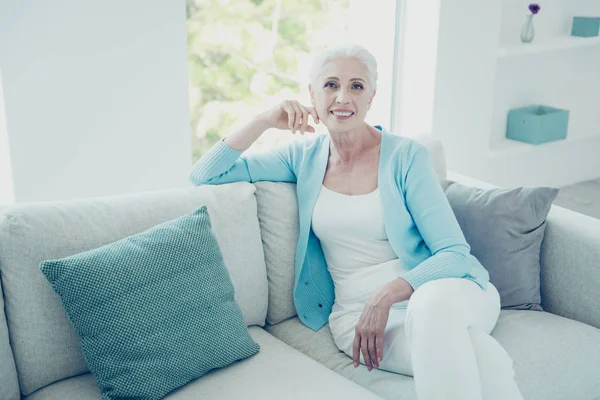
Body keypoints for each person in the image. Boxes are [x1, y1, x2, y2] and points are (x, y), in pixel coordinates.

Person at [189, 44, 523, 400]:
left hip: (445, 292)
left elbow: (455, 253)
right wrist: (265, 120)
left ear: (371, 98)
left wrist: (386, 293)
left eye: (357, 86)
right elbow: (205, 174)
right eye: (331, 85)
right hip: (355, 317)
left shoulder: (406, 156)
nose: (342, 97)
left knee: (432, 311)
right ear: (312, 95)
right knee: (481, 357)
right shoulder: (300, 157)